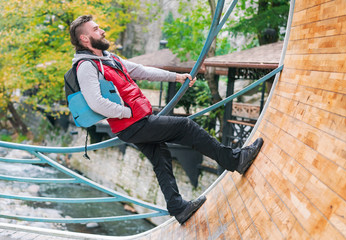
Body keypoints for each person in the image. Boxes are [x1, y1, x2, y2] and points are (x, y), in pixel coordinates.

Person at [69, 15, 264, 225]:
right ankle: (234, 160)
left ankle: (178, 207)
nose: (102, 31)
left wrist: (176, 77)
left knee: (161, 158)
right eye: (96, 29)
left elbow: (142, 71)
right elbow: (96, 103)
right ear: (85, 39)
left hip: (137, 121)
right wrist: (127, 112)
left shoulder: (111, 59)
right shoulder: (86, 66)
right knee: (185, 126)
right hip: (133, 123)